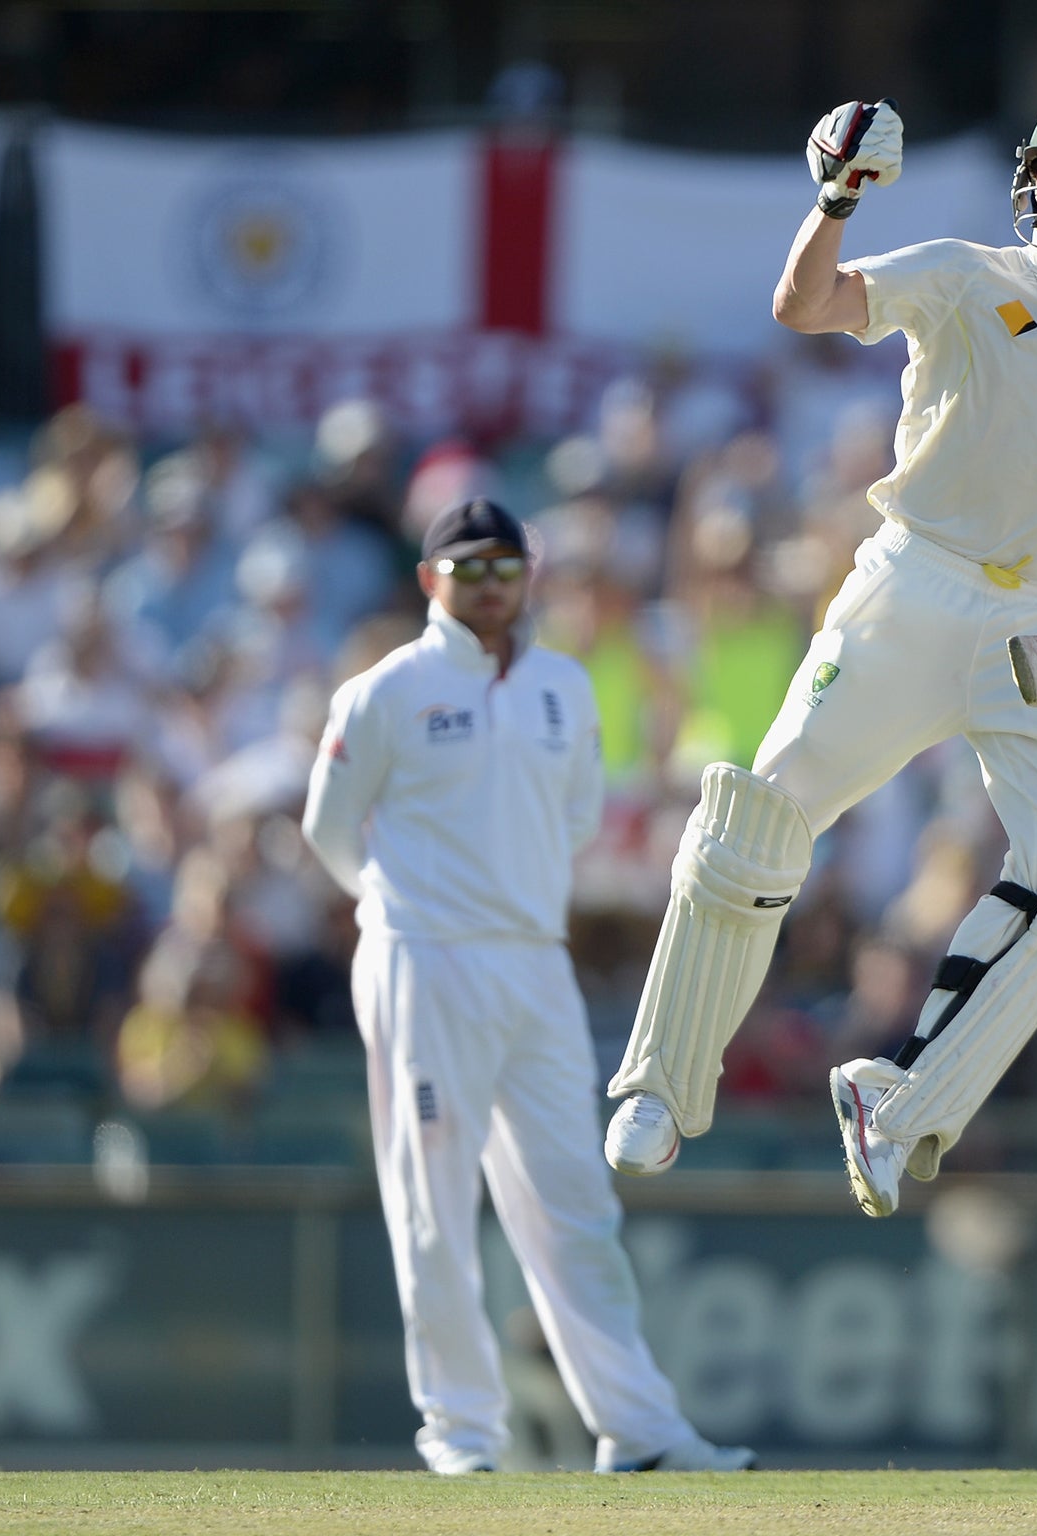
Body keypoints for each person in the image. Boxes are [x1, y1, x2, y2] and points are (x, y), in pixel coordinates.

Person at [602, 94, 1037, 1218]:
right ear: (1024, 185)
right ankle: (659, 1084)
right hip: (914, 581)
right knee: (763, 815)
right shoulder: (962, 272)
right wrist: (835, 200)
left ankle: (897, 1103)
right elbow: (804, 303)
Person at [300, 498, 752, 1476]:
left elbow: (579, 816)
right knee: (435, 1201)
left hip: (534, 960)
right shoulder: (388, 690)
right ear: (431, 581)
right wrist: (407, 906)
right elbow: (329, 833)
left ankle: (638, 1434)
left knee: (573, 1204)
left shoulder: (565, 686)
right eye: (469, 570)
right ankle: (461, 1439)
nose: (491, 587)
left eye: (506, 567)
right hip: (425, 958)